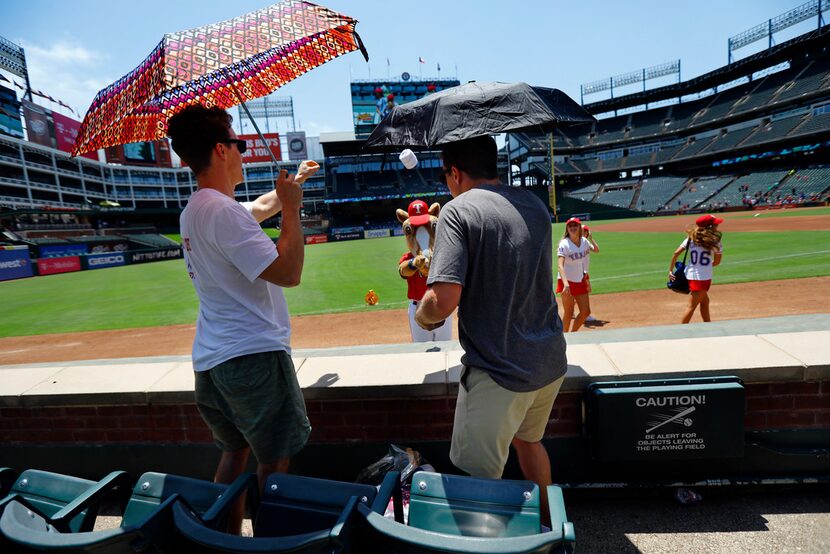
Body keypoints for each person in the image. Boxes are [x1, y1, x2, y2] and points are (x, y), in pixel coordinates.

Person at [168, 104, 317, 534]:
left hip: (212, 363)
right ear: (221, 149)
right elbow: (289, 273)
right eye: (239, 143)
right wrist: (293, 210)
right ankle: (271, 543)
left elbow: (254, 209)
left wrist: (294, 183)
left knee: (234, 456)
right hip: (252, 358)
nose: (243, 151)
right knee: (275, 462)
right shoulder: (222, 212)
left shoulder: (198, 209)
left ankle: (225, 541)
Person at [414, 135, 567, 525]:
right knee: (529, 443)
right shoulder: (533, 204)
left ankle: (483, 548)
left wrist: (422, 314)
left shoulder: (457, 210)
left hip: (499, 369)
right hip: (548, 360)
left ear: (455, 173)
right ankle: (553, 529)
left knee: (475, 479)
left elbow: (443, 302)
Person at [669, 214, 724, 324]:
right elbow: (717, 262)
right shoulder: (715, 242)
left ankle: (708, 325)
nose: (717, 226)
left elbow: (675, 254)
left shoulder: (690, 239)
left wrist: (670, 271)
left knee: (705, 302)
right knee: (691, 306)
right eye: (715, 224)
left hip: (691, 275)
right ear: (709, 227)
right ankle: (681, 331)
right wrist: (707, 265)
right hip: (702, 278)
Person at [556, 217, 598, 332]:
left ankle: (573, 334)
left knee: (586, 312)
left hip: (579, 279)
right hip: (567, 281)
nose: (573, 228)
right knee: (569, 313)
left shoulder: (584, 242)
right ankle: (564, 339)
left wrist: (585, 273)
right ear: (567, 229)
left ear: (580, 228)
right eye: (570, 226)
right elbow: (560, 265)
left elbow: (585, 258)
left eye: (575, 225)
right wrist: (566, 284)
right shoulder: (564, 244)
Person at [582, 225, 599, 323]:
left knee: (584, 292)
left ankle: (572, 310)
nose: (584, 233)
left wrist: (592, 239)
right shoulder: (579, 242)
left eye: (585, 231)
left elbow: (596, 250)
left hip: (584, 272)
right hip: (581, 272)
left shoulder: (586, 242)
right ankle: (586, 315)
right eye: (583, 231)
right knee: (584, 293)